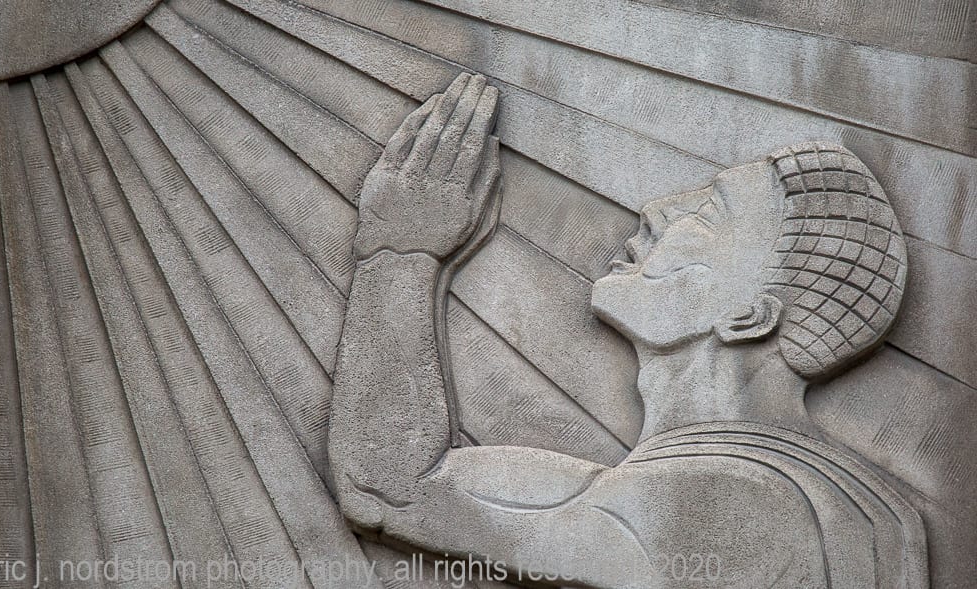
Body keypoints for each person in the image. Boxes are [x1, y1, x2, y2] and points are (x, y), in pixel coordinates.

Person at [329, 73, 928, 588]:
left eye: (705, 215)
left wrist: (398, 250)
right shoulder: (844, 501)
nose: (655, 210)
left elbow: (390, 486)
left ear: (747, 317)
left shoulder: (735, 500)